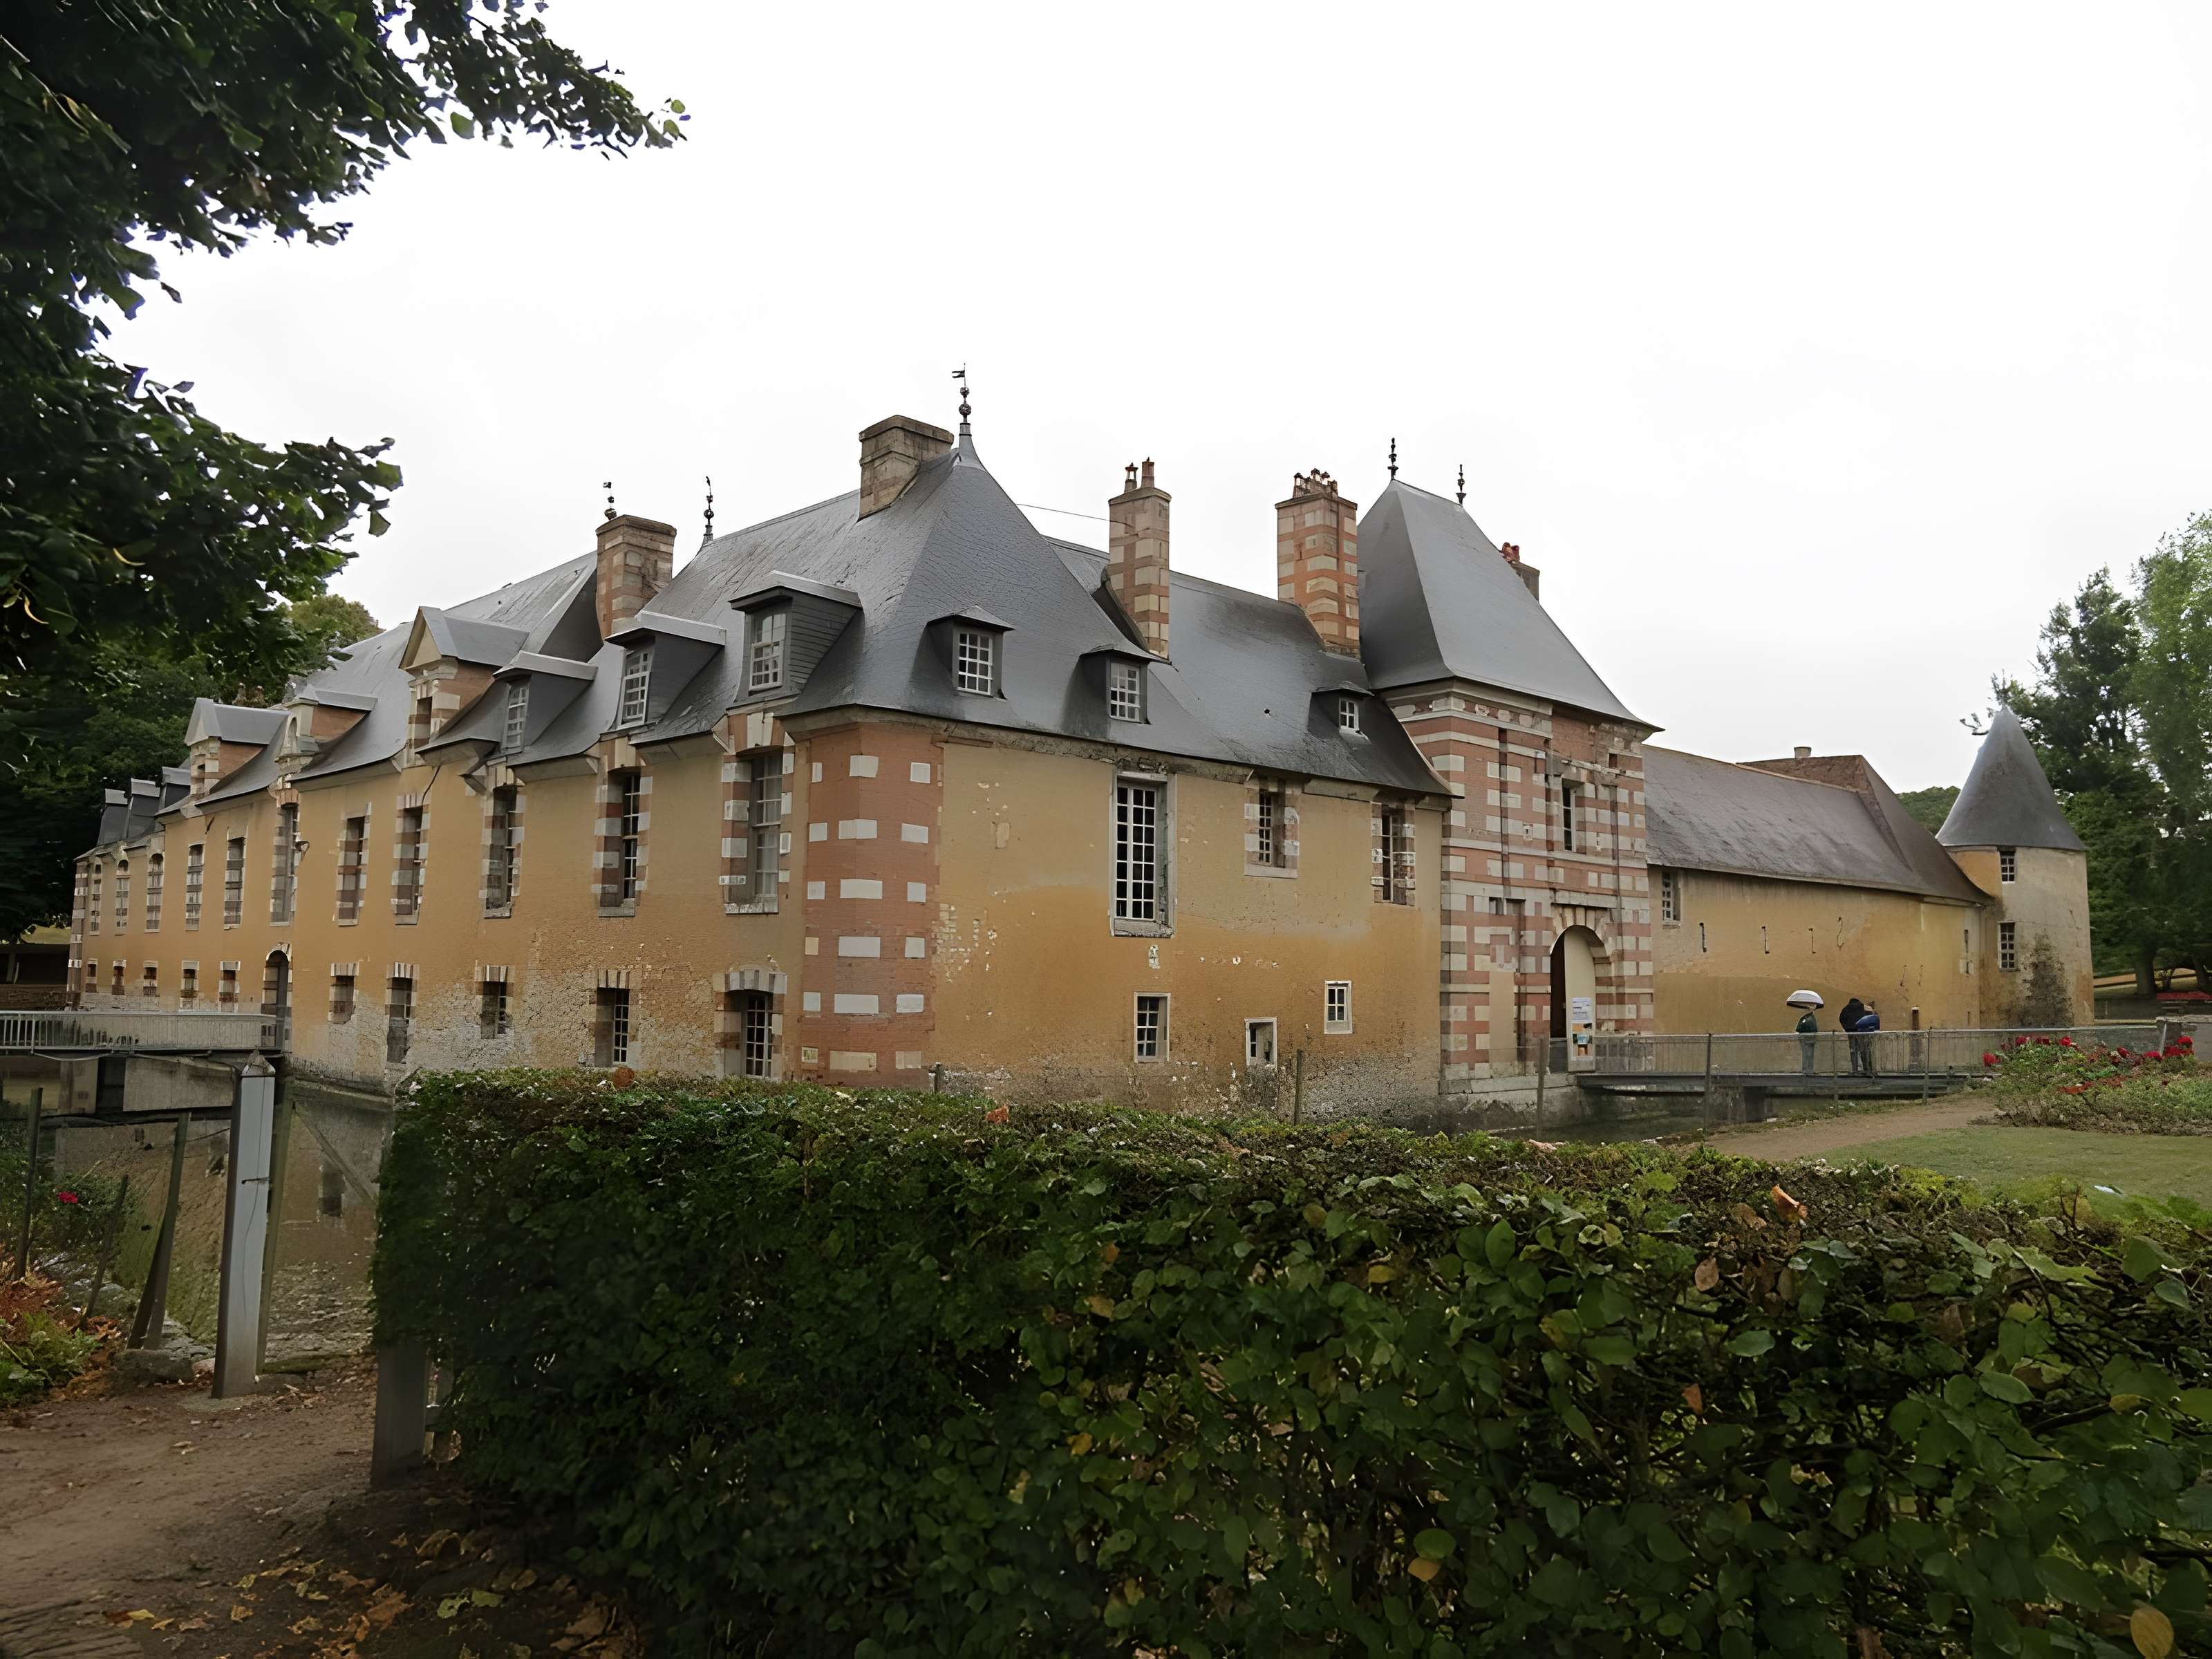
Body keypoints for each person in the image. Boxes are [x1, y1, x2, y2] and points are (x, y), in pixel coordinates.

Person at [1852, 999, 1882, 1078]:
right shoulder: (1864, 1016)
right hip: (1863, 1037)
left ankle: (1869, 1070)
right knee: (1865, 1054)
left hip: (1867, 1037)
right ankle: (1868, 1070)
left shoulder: (1873, 1016)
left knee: (1867, 1054)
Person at [1795, 1004, 1820, 1075]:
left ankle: (1807, 1071)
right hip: (1809, 1038)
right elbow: (1814, 1029)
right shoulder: (1811, 1018)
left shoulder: (1805, 1018)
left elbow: (1799, 1028)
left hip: (1806, 1038)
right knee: (1809, 1054)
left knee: (1807, 1054)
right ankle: (1808, 1071)